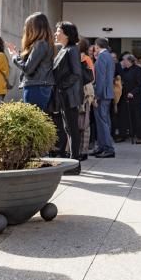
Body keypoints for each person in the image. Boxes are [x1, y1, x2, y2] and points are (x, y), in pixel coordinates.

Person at [51, 22, 82, 175]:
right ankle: (73, 162)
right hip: (64, 95)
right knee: (68, 129)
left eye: (58, 31)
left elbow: (76, 73)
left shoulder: (72, 50)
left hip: (69, 96)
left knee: (72, 129)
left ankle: (75, 164)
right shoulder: (64, 49)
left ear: (67, 34)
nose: (55, 34)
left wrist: (62, 86)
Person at [7, 12, 54, 111]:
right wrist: (18, 54)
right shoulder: (45, 43)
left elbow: (28, 68)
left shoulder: (40, 44)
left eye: (27, 26)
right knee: (37, 121)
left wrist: (14, 56)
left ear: (34, 28)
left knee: (33, 122)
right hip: (40, 86)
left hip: (36, 87)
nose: (25, 29)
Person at [92, 37, 115, 158]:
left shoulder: (101, 57)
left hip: (102, 94)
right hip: (107, 93)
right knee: (104, 121)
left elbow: (100, 79)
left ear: (97, 46)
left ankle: (107, 148)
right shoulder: (109, 56)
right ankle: (102, 147)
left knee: (102, 122)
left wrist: (96, 96)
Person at [117, 54, 141, 144]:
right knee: (123, 117)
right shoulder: (124, 70)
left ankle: (140, 136)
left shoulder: (138, 70)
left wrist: (132, 92)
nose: (123, 62)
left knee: (137, 117)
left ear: (130, 61)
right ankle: (123, 135)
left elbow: (140, 84)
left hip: (135, 97)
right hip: (124, 96)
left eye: (124, 60)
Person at [77, 37, 95, 160]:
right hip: (77, 92)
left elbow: (91, 77)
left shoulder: (86, 59)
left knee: (85, 123)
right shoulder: (74, 56)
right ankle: (77, 150)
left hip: (85, 93)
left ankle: (83, 151)